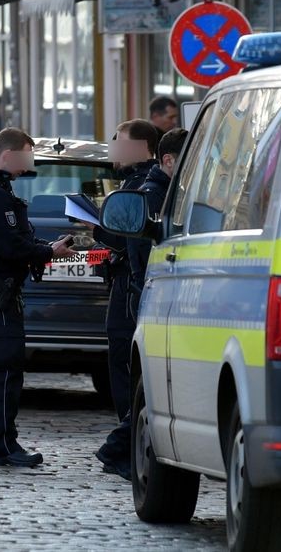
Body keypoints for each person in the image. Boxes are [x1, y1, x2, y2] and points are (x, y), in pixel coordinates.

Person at [0, 128, 75, 468]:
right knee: (4, 369)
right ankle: (1, 445)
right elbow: (9, 246)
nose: (27, 169)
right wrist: (48, 251)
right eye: (25, 159)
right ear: (8, 155)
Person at [91, 119, 160, 480]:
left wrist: (98, 227)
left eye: (118, 142)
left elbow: (124, 239)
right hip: (126, 285)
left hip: (132, 289)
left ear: (141, 147)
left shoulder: (143, 186)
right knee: (122, 365)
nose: (112, 149)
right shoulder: (134, 182)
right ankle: (125, 443)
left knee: (126, 367)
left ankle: (122, 445)